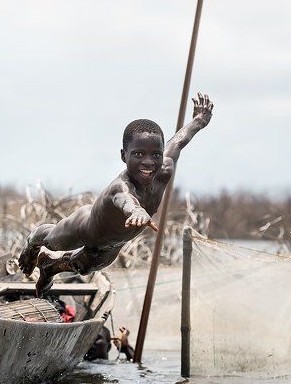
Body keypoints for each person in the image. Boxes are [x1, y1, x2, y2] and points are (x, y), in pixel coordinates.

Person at [19, 92, 214, 295]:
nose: (148, 162)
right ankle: (32, 245)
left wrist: (199, 121)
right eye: (138, 154)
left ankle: (49, 267)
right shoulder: (120, 187)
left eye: (155, 154)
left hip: (112, 242)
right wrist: (136, 211)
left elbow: (178, 142)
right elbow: (126, 200)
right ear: (123, 156)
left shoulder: (164, 168)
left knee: (85, 267)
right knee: (52, 241)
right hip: (83, 227)